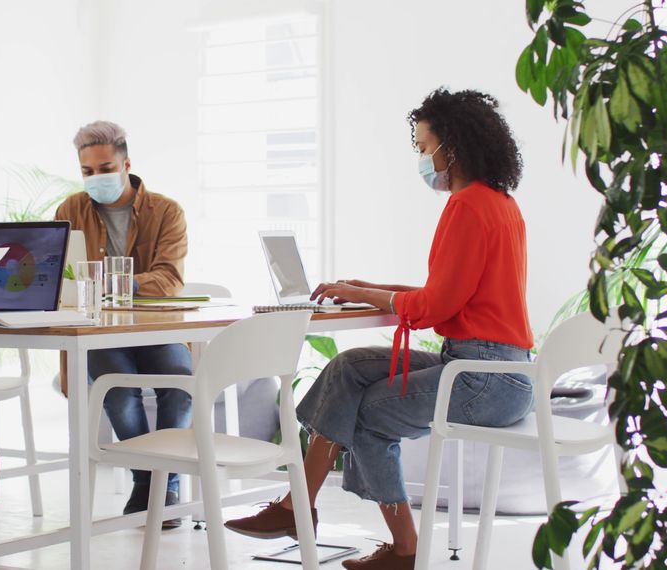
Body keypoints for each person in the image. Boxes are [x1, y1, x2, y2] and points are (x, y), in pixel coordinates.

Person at [224, 88, 536, 570]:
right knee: (350, 367)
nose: (421, 158)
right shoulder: (499, 203)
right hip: (496, 369)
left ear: (450, 147)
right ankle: (297, 506)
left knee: (368, 414)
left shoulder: (468, 206)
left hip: (481, 377)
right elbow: (452, 291)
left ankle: (402, 550)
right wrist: (364, 286)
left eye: (422, 147)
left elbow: (434, 305)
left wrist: (368, 295)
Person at [55, 120, 191, 527]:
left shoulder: (166, 211)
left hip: (153, 327)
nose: (96, 178)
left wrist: (111, 282)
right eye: (87, 172)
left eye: (104, 168)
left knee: (180, 382)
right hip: (99, 333)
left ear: (126, 163)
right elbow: (58, 277)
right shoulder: (70, 211)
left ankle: (164, 480)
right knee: (117, 388)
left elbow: (169, 279)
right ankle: (149, 481)